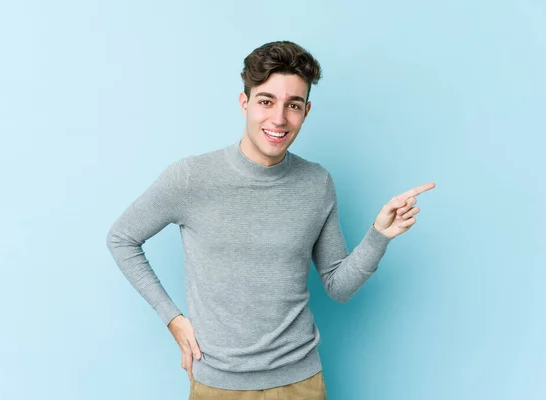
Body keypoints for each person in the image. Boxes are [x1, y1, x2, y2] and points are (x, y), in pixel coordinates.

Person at [106, 40, 435, 399]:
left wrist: (378, 235)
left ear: (306, 111)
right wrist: (171, 317)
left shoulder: (317, 183)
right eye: (266, 101)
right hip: (218, 384)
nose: (279, 119)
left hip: (301, 383)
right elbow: (122, 238)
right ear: (244, 103)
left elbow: (338, 287)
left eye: (293, 105)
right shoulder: (190, 178)